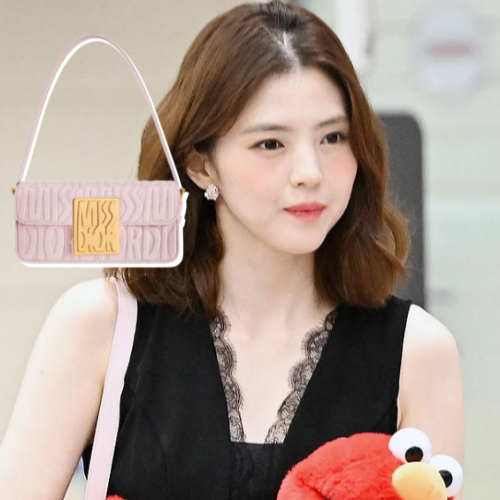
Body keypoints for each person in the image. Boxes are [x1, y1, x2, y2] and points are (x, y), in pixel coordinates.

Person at [0, 1, 464, 499]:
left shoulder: (418, 352)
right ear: (201, 166)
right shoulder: (103, 326)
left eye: (333, 137)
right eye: (271, 144)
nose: (310, 172)